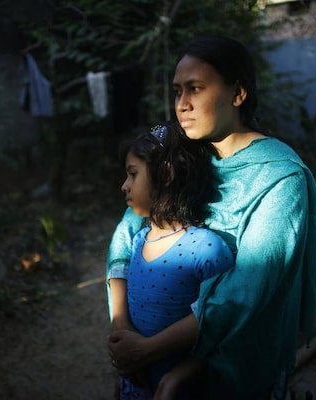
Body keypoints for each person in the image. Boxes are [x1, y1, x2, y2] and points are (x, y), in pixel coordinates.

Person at [106, 35, 316, 400]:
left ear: (238, 93)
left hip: (232, 369)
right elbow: (127, 233)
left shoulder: (281, 179)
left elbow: (245, 295)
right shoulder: (181, 152)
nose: (182, 105)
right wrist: (121, 327)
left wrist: (155, 352)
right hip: (153, 363)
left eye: (196, 89)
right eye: (177, 91)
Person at [109, 121, 235, 399]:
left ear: (166, 175)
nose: (124, 186)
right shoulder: (138, 241)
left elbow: (220, 322)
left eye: (133, 174)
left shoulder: (206, 248)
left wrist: (176, 367)